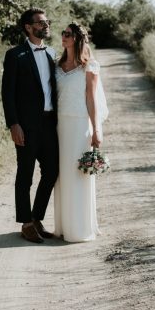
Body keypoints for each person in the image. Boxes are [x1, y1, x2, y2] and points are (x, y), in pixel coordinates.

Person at [2, 8, 59, 244]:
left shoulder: (52, 53)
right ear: (28, 27)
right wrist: (14, 124)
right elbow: (8, 93)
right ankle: (25, 223)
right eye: (41, 22)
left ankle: (37, 218)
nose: (46, 25)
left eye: (47, 22)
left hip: (49, 123)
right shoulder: (15, 55)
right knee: (25, 175)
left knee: (52, 171)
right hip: (26, 125)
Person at [54, 22, 108, 242]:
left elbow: (91, 99)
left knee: (78, 175)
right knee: (62, 176)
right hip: (59, 126)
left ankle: (80, 228)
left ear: (77, 38)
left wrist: (96, 130)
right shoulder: (56, 65)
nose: (63, 37)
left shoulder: (90, 66)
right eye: (63, 33)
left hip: (79, 126)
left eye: (67, 34)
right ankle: (64, 227)